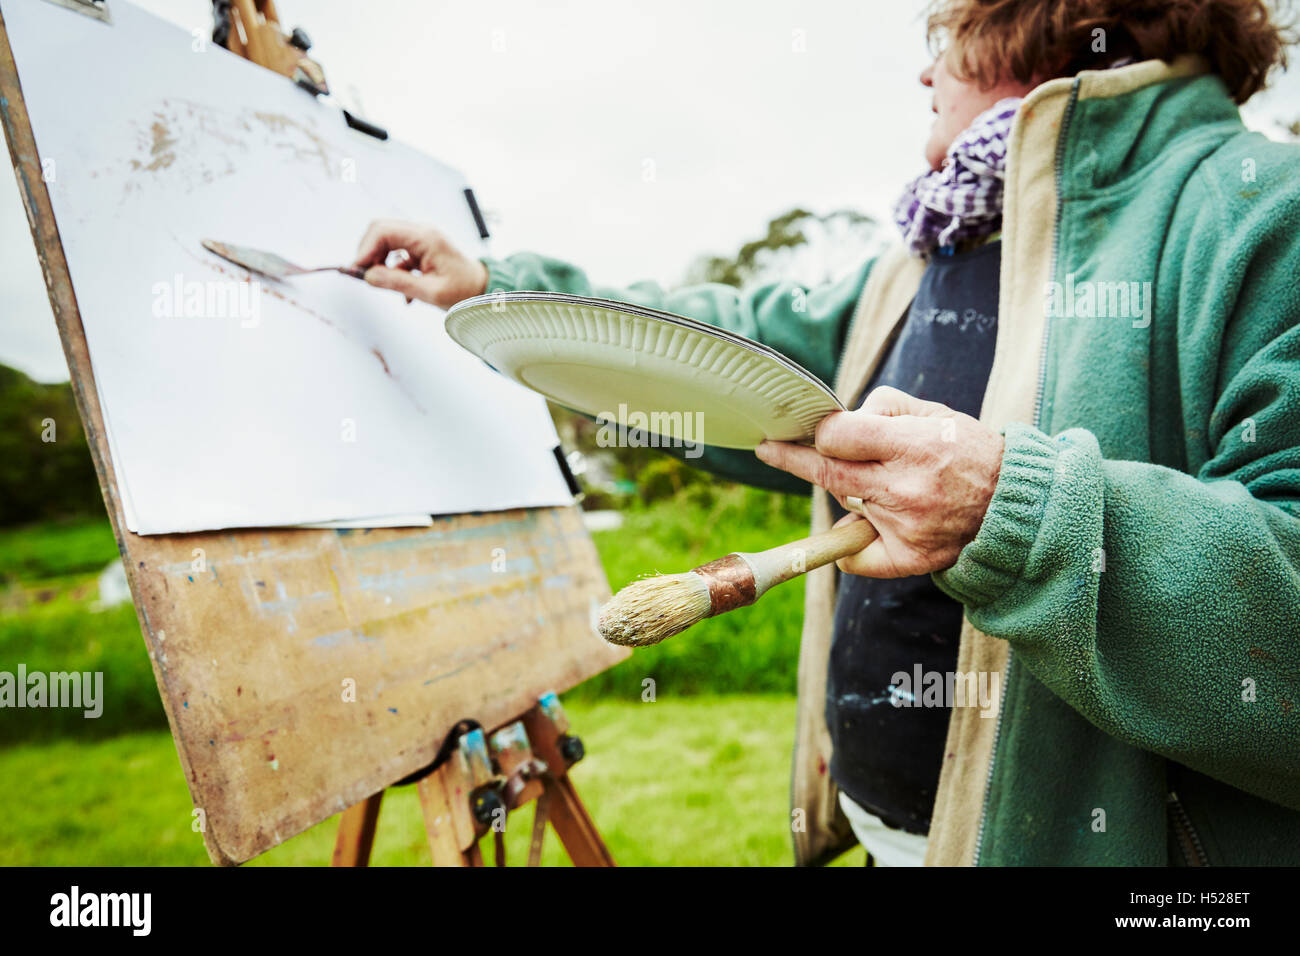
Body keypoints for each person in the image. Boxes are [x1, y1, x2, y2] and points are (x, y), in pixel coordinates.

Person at [354, 0, 1300, 866]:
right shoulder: (927, 256)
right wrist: (496, 289)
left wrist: (1006, 513)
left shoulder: (1265, 206)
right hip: (890, 831)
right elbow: (724, 352)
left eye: (946, 44)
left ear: (1046, 24)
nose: (924, 78)